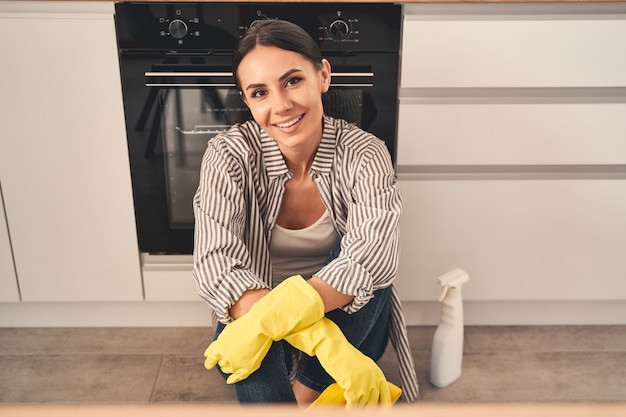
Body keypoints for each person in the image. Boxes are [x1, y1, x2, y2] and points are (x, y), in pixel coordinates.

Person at [192, 19, 419, 407]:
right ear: (247, 102)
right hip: (259, 302)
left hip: (353, 318)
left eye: (292, 81)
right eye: (260, 92)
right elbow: (217, 265)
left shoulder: (365, 153)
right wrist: (321, 340)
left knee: (368, 265)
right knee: (253, 335)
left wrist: (286, 319)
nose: (280, 105)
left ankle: (304, 393)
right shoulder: (227, 155)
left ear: (323, 75)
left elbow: (372, 259)